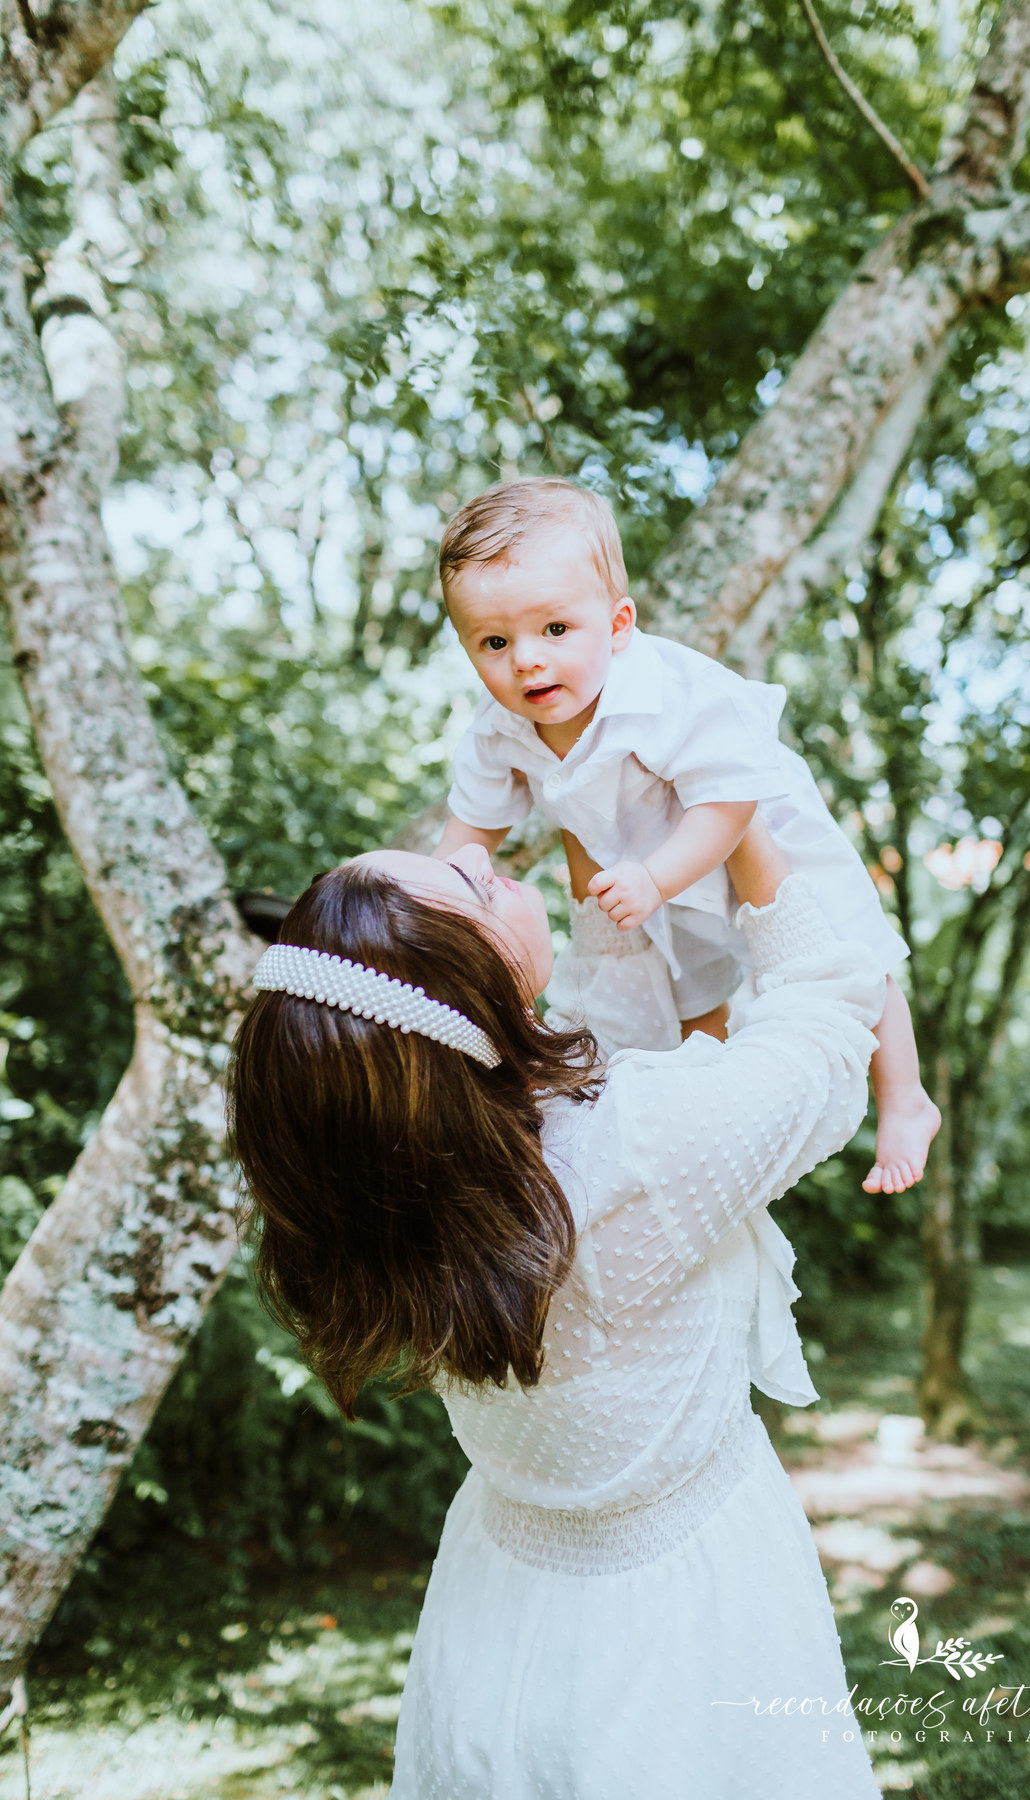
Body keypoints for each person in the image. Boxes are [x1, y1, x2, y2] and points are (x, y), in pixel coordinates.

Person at [228, 813, 886, 1799]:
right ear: (472, 991)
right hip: (682, 1615)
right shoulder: (632, 1148)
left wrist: (601, 837)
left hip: (500, 1597)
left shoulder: (411, 1175)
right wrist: (738, 810)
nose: (476, 853)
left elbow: (600, 1030)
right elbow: (830, 1029)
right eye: (470, 885)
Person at [433, 476, 940, 1196]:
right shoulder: (499, 733)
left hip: (746, 833)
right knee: (690, 986)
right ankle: (713, 1099)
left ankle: (905, 1097)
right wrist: (420, 918)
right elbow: (465, 840)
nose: (526, 659)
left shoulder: (667, 692)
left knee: (843, 947)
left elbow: (729, 804)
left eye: (555, 630)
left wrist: (655, 878)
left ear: (618, 624)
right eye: (494, 641)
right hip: (652, 879)